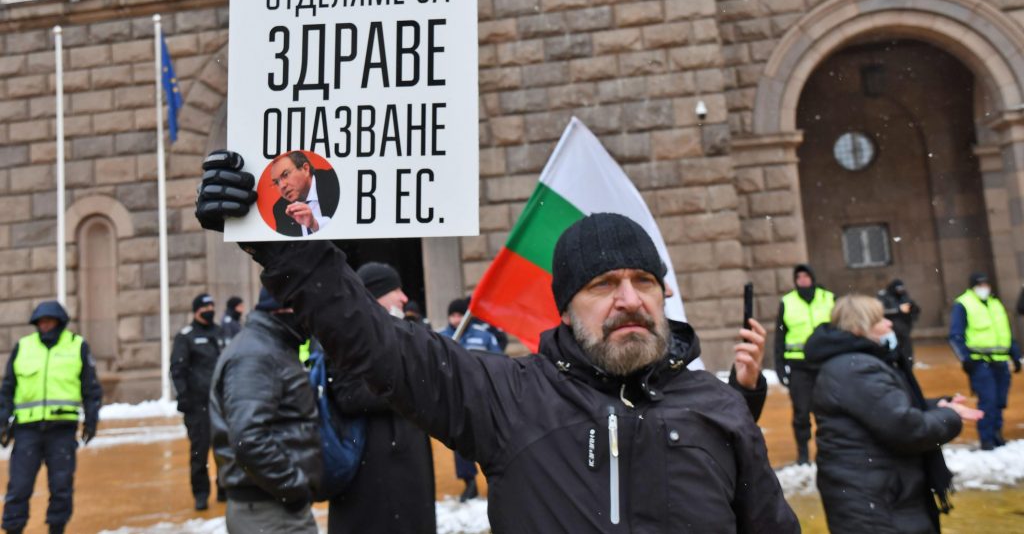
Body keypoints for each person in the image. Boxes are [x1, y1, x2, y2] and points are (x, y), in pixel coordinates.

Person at [195, 159, 797, 531]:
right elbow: (378, 344)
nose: (630, 299)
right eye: (603, 284)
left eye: (644, 282)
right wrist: (282, 245)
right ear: (565, 305)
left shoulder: (716, 410)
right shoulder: (509, 397)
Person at [805, 294, 981, 534]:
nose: (889, 324)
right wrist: (951, 417)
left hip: (877, 496)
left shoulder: (853, 363)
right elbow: (907, 428)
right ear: (859, 328)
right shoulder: (856, 368)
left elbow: (882, 410)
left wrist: (933, 407)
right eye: (880, 320)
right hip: (877, 504)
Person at [325, 262, 436, 534]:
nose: (404, 298)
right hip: (370, 474)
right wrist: (407, 385)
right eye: (396, 290)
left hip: (408, 469)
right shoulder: (344, 336)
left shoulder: (405, 333)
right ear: (376, 295)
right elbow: (348, 395)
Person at [209, 288, 321, 533]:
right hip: (268, 509)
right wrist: (294, 489)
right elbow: (248, 439)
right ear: (286, 308)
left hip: (274, 505)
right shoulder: (256, 354)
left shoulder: (272, 346)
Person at [0, 301, 103, 534]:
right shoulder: (24, 347)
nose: (45, 326)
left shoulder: (77, 346)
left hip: (62, 430)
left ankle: (57, 529)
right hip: (27, 430)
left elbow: (91, 388)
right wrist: (2, 419)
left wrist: (91, 419)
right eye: (41, 322)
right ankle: (13, 529)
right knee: (19, 486)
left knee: (61, 486)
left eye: (49, 321)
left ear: (60, 323)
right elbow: (8, 388)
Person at [948, 272, 1022, 450]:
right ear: (973, 286)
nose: (984, 287)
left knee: (999, 400)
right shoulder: (964, 304)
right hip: (980, 362)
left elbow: (1005, 332)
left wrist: (1015, 355)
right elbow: (955, 336)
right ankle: (987, 439)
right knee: (987, 400)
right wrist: (966, 359)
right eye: (980, 284)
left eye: (986, 284)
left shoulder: (995, 304)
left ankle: (997, 434)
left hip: (1000, 361)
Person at [440, 297, 502, 501]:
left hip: (484, 398)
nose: (457, 319)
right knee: (461, 444)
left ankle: (496, 483)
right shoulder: (439, 337)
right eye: (453, 315)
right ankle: (469, 483)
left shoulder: (484, 337)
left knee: (492, 440)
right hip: (456, 400)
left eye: (460, 315)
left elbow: (499, 363)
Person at [774, 263, 835, 464]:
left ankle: (828, 451)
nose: (803, 280)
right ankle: (803, 455)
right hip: (799, 367)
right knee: (801, 413)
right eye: (798, 277)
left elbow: (841, 329)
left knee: (827, 410)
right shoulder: (788, 302)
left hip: (825, 364)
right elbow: (779, 336)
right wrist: (780, 366)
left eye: (806, 276)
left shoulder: (827, 298)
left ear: (812, 278)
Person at [170, 293, 224, 510]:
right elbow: (177, 370)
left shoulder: (220, 333)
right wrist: (184, 398)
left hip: (220, 404)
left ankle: (225, 489)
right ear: (196, 310)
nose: (210, 309)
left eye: (212, 305)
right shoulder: (186, 336)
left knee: (224, 449)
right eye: (206, 306)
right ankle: (201, 493)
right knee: (199, 453)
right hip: (197, 406)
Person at [270, 151, 339, 237]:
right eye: (276, 182)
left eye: (286, 174)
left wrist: (315, 224)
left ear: (305, 169)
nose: (282, 186)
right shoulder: (280, 209)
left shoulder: (334, 182)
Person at [878, 279, 921, 362]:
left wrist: (913, 309)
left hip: (904, 328)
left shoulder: (904, 295)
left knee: (907, 351)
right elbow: (880, 311)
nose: (900, 291)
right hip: (890, 329)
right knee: (892, 349)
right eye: (898, 289)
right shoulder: (883, 296)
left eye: (901, 289)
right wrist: (898, 310)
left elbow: (913, 307)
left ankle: (908, 364)